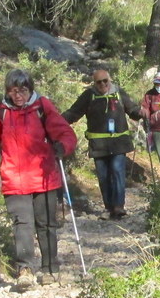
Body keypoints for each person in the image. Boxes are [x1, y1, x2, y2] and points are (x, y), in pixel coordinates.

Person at [0, 69, 78, 286]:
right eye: (13, 91)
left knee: (46, 224)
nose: (18, 95)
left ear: (30, 90)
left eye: (22, 90)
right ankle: (25, 271)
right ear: (8, 91)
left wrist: (64, 146)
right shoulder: (0, 112)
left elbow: (64, 132)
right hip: (14, 178)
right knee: (22, 224)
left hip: (44, 176)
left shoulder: (42, 107)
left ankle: (50, 269)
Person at [61, 68, 143, 220]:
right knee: (103, 176)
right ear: (94, 83)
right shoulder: (89, 95)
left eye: (105, 81)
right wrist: (57, 121)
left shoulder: (118, 92)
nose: (103, 84)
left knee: (118, 171)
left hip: (118, 143)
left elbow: (131, 109)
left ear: (109, 80)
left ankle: (118, 206)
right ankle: (108, 206)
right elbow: (74, 112)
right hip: (98, 145)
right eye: (99, 82)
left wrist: (140, 112)